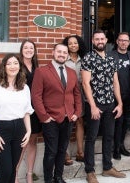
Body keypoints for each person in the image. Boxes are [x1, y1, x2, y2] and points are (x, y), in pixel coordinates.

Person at [31, 43, 82, 183]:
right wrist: (44, 117)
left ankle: (58, 177)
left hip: (68, 119)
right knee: (51, 152)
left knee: (62, 150)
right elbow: (36, 96)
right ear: (53, 52)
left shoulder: (71, 73)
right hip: (51, 119)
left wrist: (77, 113)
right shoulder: (42, 71)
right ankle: (48, 180)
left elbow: (77, 95)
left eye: (64, 52)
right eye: (59, 52)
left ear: (67, 55)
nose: (62, 54)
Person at [0, 53, 33, 183]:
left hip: (19, 129)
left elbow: (26, 112)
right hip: (1, 130)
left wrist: (29, 131)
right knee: (6, 171)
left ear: (20, 67)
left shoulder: (24, 87)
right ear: (4, 67)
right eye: (9, 63)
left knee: (13, 170)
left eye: (15, 63)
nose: (12, 66)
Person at [81, 30, 126, 183]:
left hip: (110, 103)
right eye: (97, 39)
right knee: (92, 138)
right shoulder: (88, 58)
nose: (100, 41)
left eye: (102, 38)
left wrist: (119, 103)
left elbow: (116, 83)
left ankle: (107, 167)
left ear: (106, 40)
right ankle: (90, 171)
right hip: (95, 104)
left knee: (109, 136)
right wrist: (92, 106)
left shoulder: (111, 58)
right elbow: (85, 84)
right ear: (93, 41)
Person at [108, 32, 130, 160]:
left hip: (128, 94)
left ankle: (121, 145)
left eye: (126, 40)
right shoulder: (110, 55)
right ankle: (114, 148)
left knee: (124, 121)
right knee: (115, 121)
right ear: (117, 41)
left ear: (129, 42)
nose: (123, 43)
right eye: (121, 40)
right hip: (113, 95)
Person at [15, 40, 41, 183]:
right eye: (26, 48)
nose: (29, 50)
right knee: (22, 142)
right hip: (21, 110)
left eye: (31, 48)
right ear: (21, 50)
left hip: (35, 109)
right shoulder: (17, 66)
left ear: (34, 50)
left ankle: (30, 174)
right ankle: (15, 173)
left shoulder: (37, 67)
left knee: (32, 141)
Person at [62, 35, 88, 165]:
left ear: (79, 45)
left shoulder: (84, 60)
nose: (73, 45)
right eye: (70, 43)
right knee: (67, 123)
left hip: (81, 95)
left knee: (80, 121)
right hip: (66, 95)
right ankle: (65, 153)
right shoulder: (63, 60)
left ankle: (80, 152)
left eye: (75, 43)